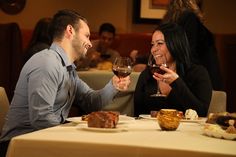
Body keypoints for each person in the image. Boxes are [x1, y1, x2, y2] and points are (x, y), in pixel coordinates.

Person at [0, 9, 130, 157]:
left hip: (42, 140)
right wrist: (74, 134)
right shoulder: (47, 62)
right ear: (70, 30)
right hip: (19, 144)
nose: (89, 43)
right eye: (86, 36)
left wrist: (113, 86)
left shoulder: (68, 69)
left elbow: (91, 101)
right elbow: (41, 118)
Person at [133, 23, 212, 118]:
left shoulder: (197, 73)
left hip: (186, 132)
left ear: (175, 44)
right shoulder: (147, 75)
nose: (153, 50)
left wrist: (176, 83)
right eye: (153, 44)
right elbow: (137, 115)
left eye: (160, 43)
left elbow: (201, 113)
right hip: (152, 131)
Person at [161, 0, 223, 90]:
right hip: (201, 75)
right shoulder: (189, 17)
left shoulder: (171, 20)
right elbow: (188, 50)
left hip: (186, 73)